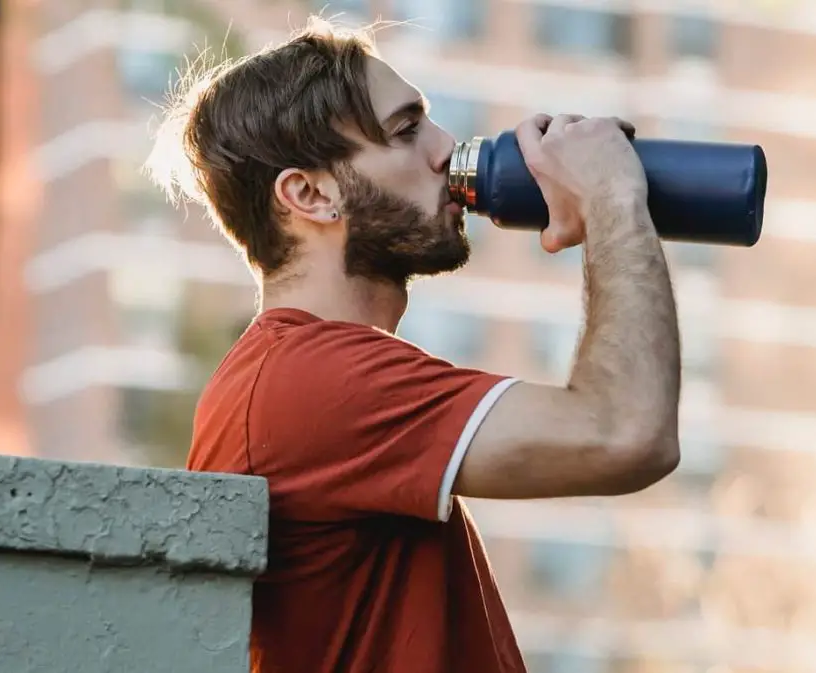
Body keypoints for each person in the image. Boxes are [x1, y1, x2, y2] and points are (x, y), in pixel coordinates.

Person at [146, 15, 682, 673]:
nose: (445, 148)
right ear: (310, 193)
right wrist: (612, 198)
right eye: (405, 130)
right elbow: (626, 433)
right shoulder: (315, 380)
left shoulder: (306, 373)